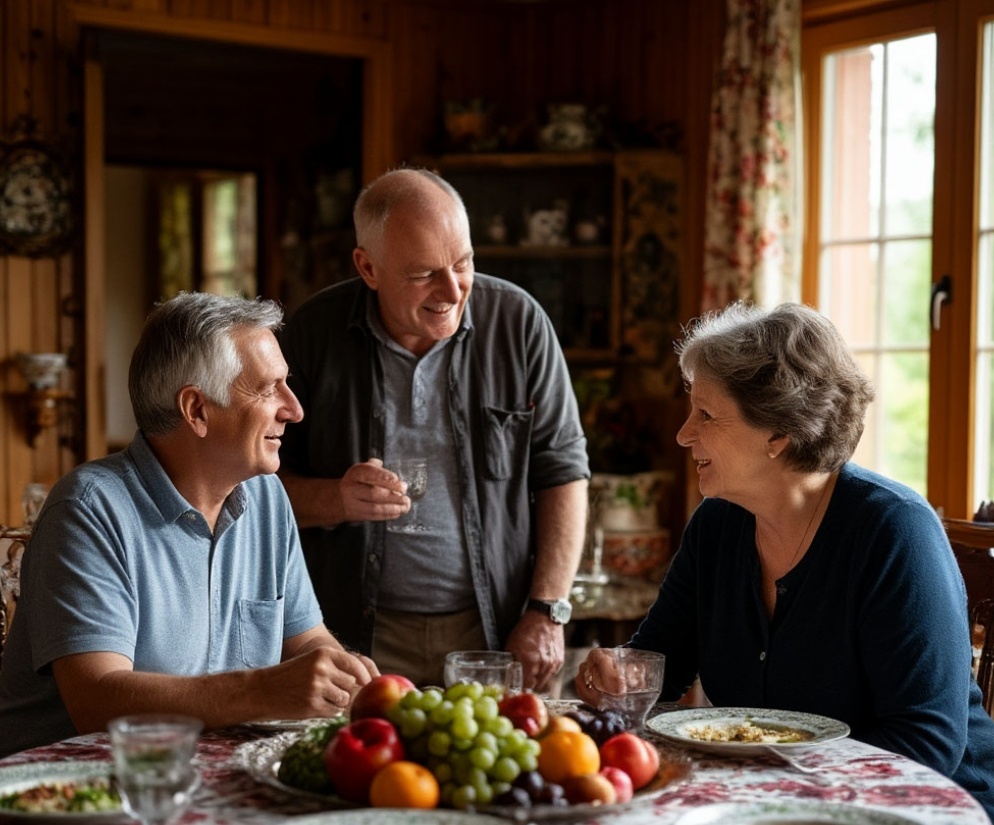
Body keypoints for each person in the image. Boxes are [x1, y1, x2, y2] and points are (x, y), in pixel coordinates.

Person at [574, 301, 994, 818]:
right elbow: (659, 662)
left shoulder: (893, 532)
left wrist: (772, 794)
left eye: (706, 415)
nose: (684, 434)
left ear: (778, 433)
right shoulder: (717, 524)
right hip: (776, 805)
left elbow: (927, 741)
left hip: (920, 810)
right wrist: (617, 676)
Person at [0, 292, 378, 758]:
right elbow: (96, 702)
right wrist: (262, 690)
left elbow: (306, 642)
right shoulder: (89, 509)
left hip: (210, 771)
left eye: (287, 384)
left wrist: (347, 677)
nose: (294, 408)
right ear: (196, 410)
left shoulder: (266, 496)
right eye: (267, 388)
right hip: (73, 789)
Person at [278, 168, 590, 689]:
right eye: (424, 273)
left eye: (463, 263)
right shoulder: (310, 336)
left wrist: (547, 610)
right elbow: (251, 492)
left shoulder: (519, 323)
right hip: (351, 640)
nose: (452, 290)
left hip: (494, 634)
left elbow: (563, 471)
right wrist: (336, 499)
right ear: (368, 267)